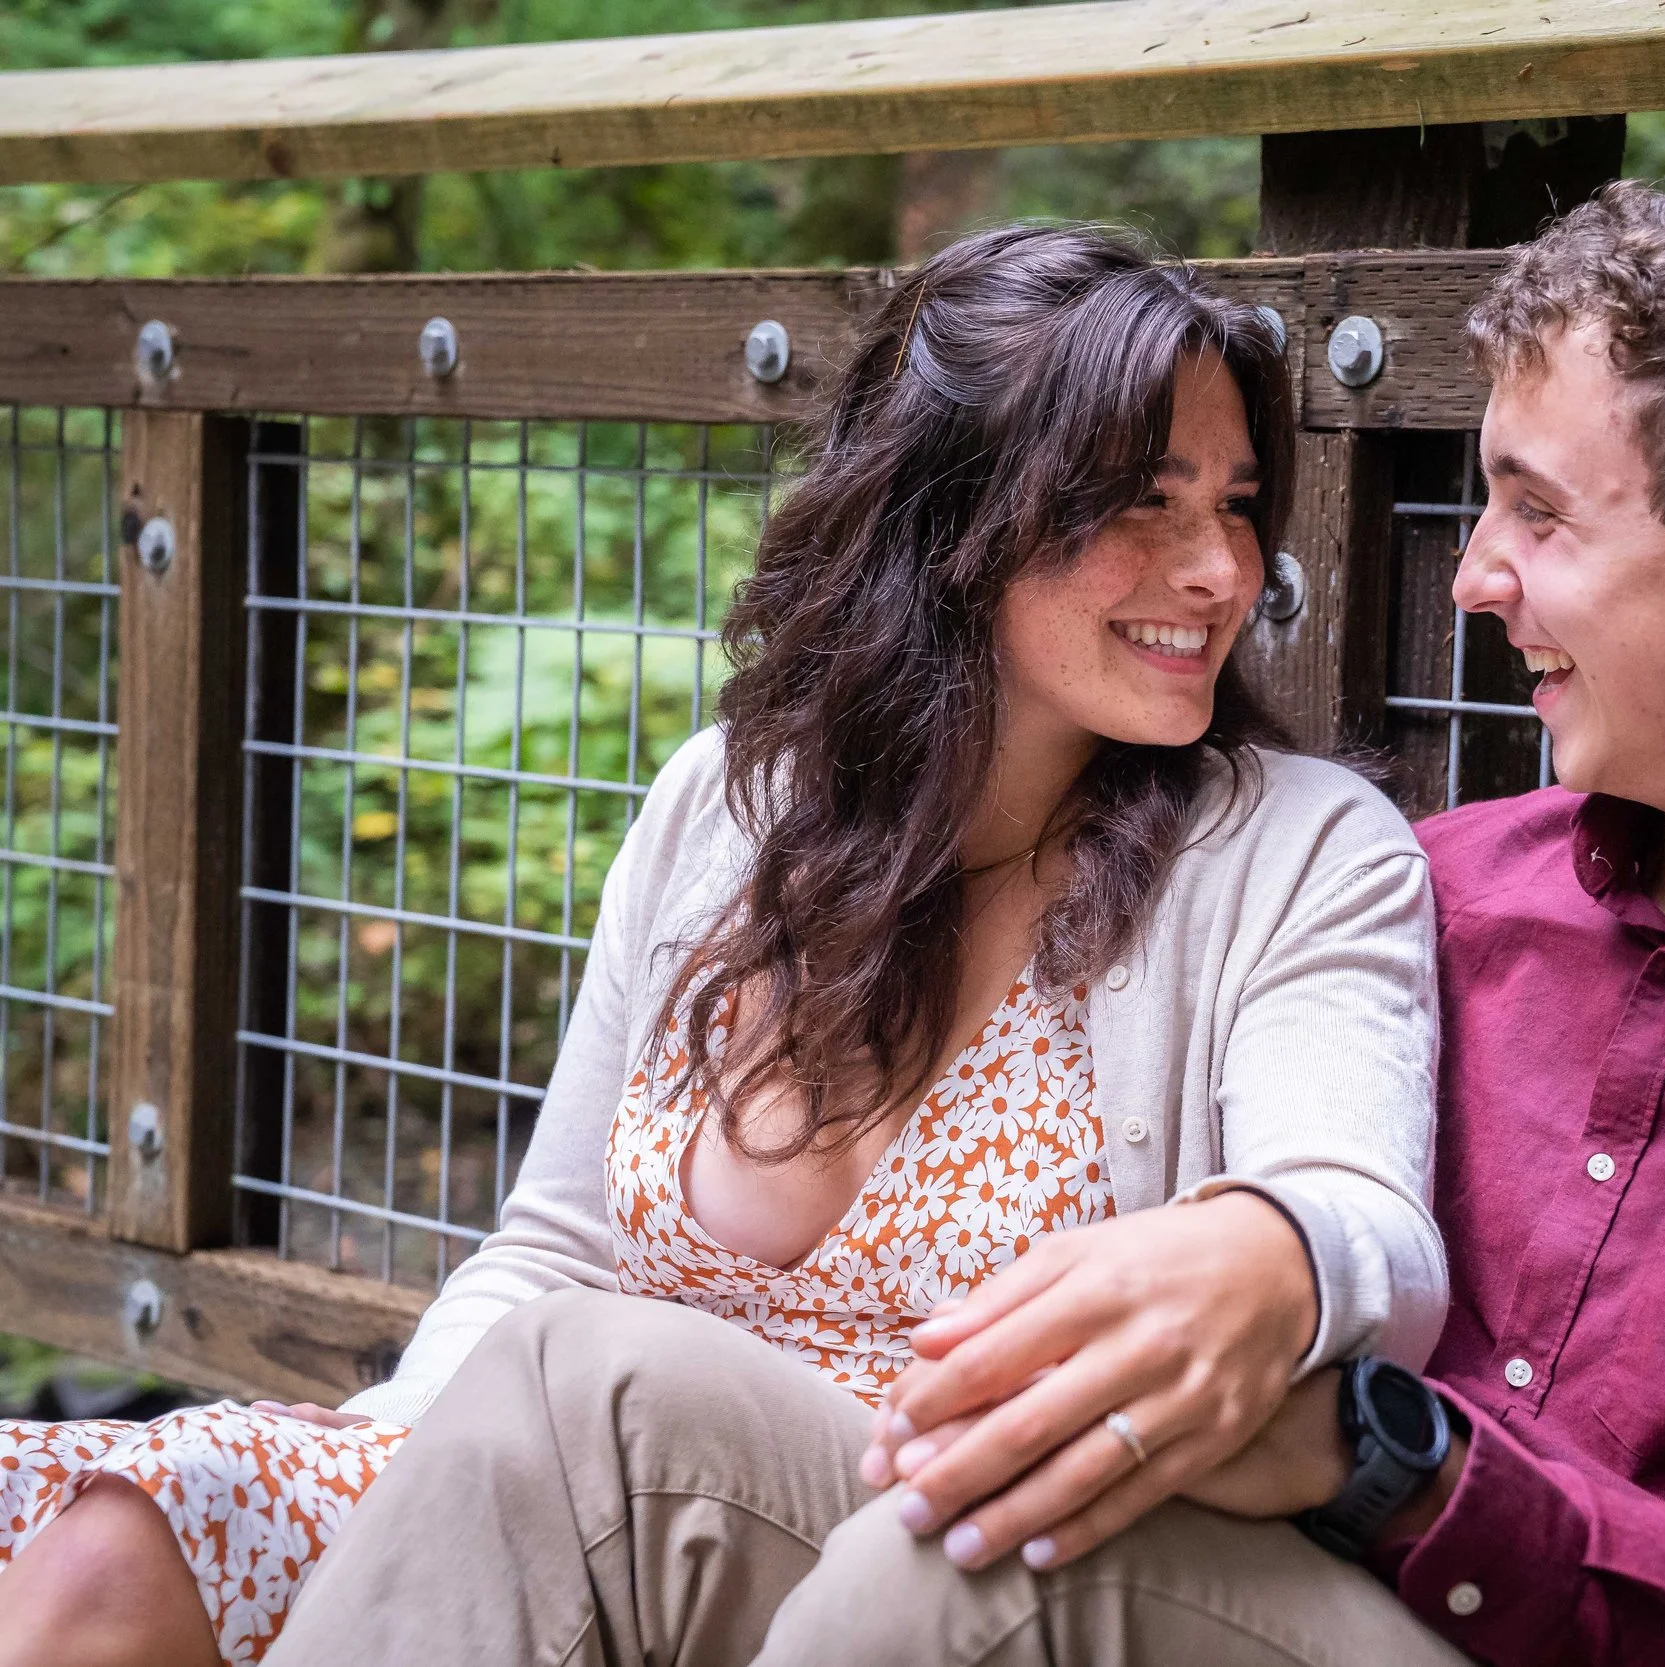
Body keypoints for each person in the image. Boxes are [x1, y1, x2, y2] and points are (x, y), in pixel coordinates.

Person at [265, 184, 1665, 1667]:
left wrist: (1384, 1455)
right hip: (1254, 1584)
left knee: (986, 1552)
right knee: (581, 1394)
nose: (1468, 582)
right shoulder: (1454, 888)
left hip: (1453, 1603)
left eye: (1533, 511)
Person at [0, 224, 1447, 1667]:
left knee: (591, 1389)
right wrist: (400, 1441)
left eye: (1239, 503)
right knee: (119, 1537)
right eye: (1146, 500)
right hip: (577, 1495)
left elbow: (1365, 1223)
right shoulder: (729, 804)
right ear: (955, 515)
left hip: (941, 1564)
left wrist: (1276, 1252)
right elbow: (555, 1242)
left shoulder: (1298, 851)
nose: (1219, 569)